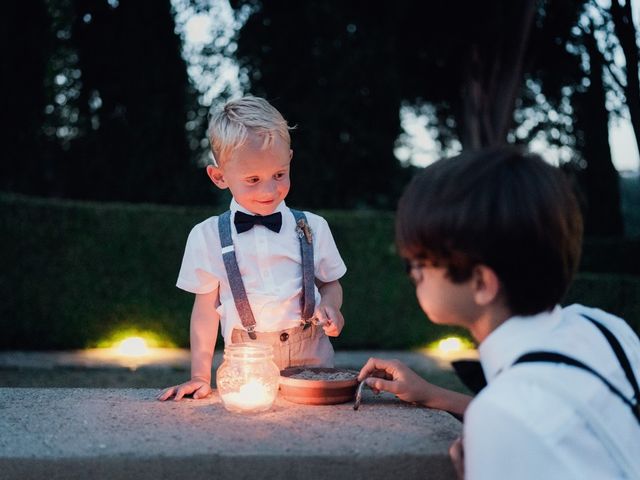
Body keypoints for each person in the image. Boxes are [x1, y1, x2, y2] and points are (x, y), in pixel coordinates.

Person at [358, 147, 640, 479]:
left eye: (421, 261)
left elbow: (520, 420)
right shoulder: (603, 326)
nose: (413, 274)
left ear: (481, 282)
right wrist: (434, 395)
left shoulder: (502, 420)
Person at [159, 96, 347, 401]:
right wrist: (199, 375)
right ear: (219, 177)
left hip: (311, 356)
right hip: (246, 361)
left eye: (279, 175)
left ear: (289, 159)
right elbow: (206, 311)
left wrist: (332, 307)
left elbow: (330, 283)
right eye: (253, 179)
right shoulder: (206, 236)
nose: (269, 190)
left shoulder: (312, 227)